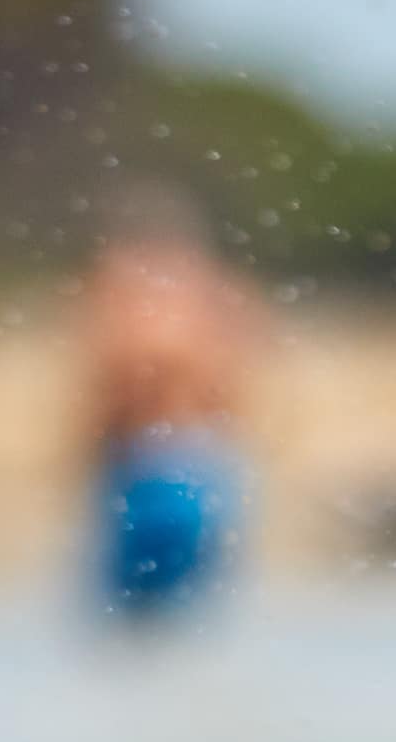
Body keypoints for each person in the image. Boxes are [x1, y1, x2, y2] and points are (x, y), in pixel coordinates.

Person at [78, 189, 262, 620]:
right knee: (194, 612)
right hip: (206, 459)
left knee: (132, 617)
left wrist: (84, 457)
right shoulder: (214, 294)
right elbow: (244, 379)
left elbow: (102, 389)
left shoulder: (119, 302)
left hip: (145, 461)